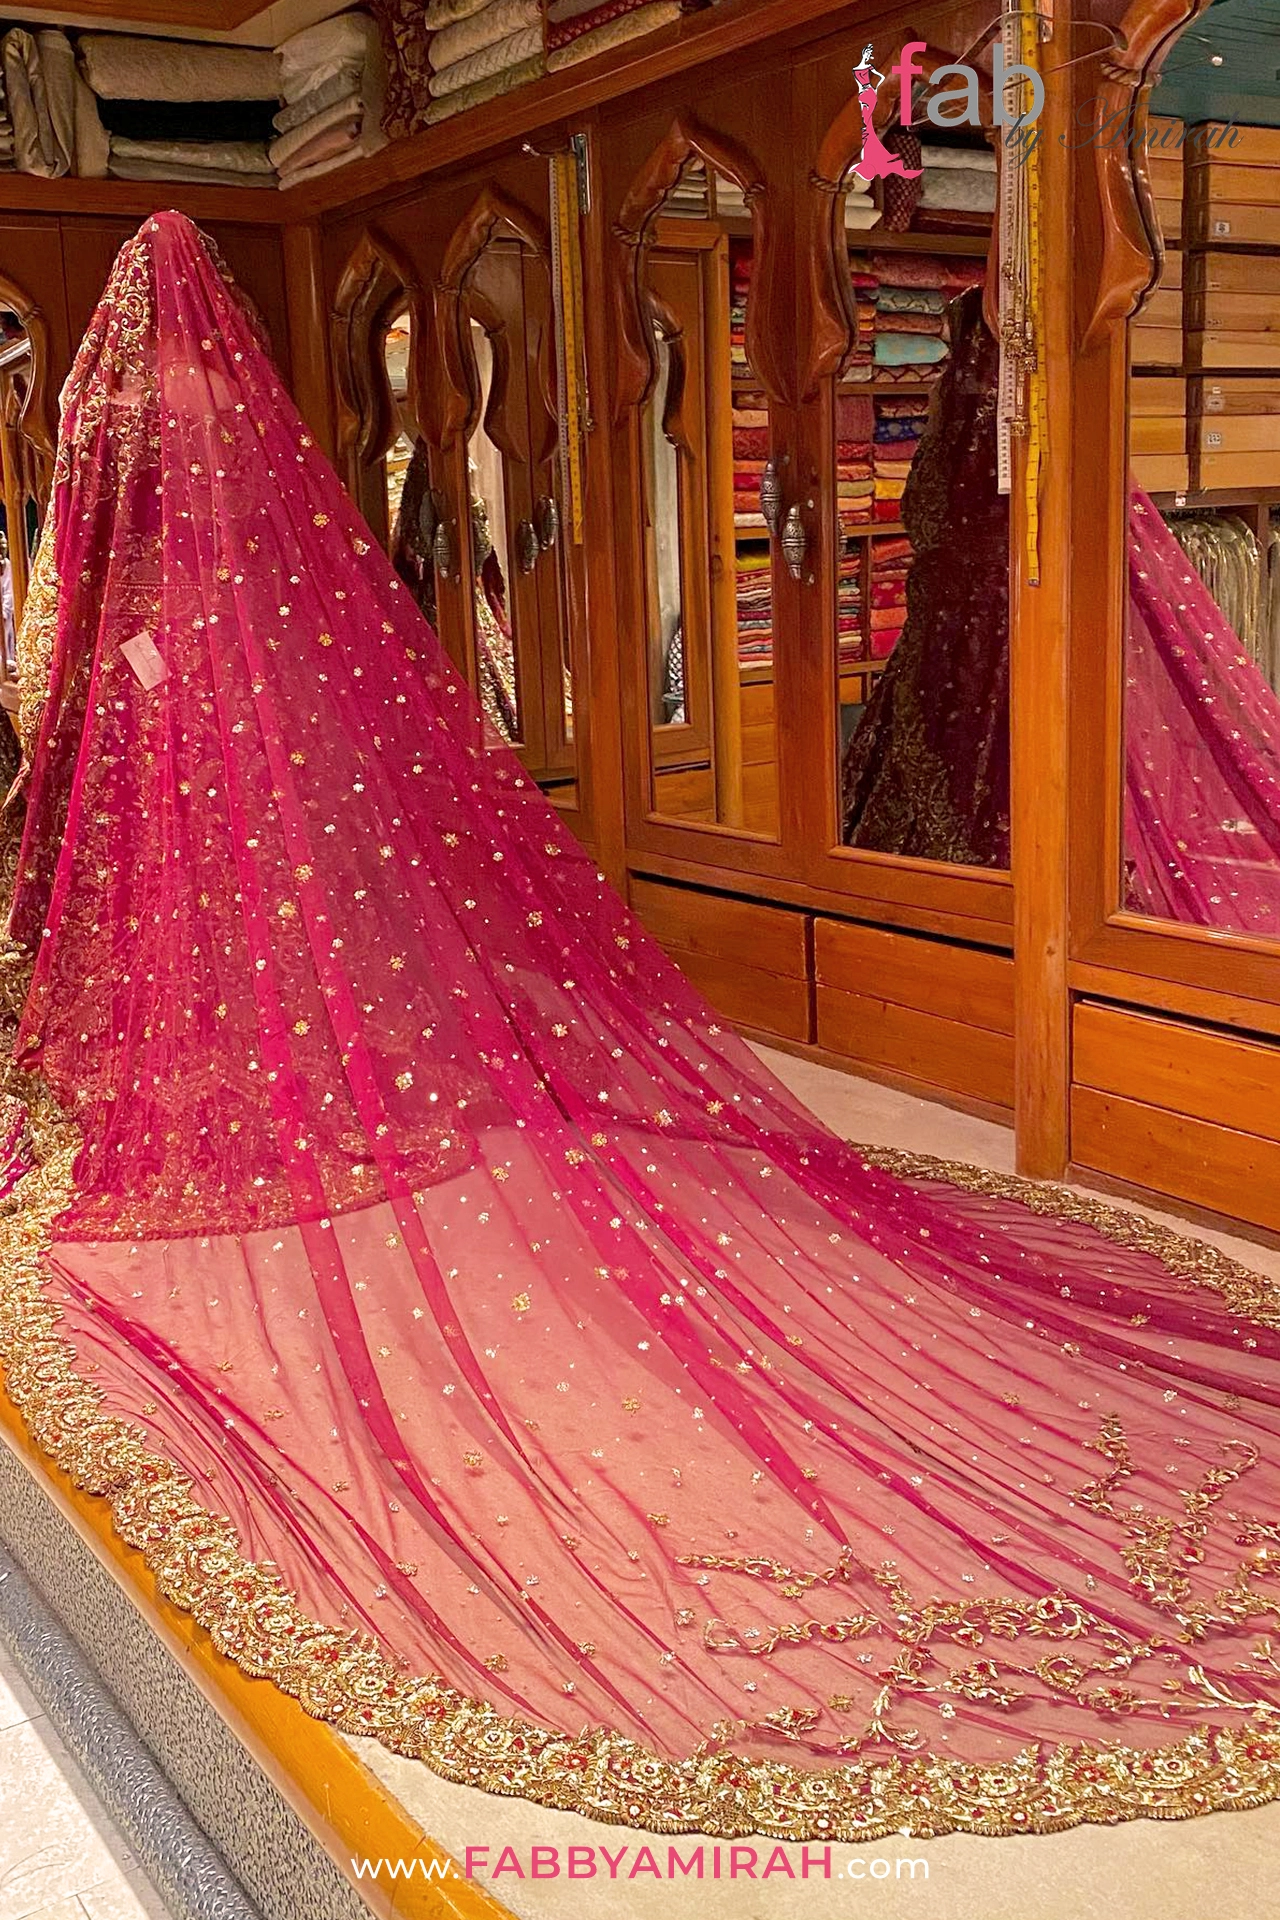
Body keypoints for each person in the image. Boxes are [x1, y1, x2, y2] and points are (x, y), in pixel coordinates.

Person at [6, 212, 1280, 1839]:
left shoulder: (112, 392)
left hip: (162, 689)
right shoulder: (206, 405)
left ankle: (258, 1080)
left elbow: (61, 625)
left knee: (243, 942)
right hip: (213, 690)